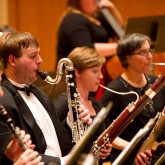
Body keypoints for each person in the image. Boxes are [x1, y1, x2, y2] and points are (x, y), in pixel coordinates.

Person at [0, 32, 91, 165]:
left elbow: (53, 137)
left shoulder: (39, 93)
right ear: (12, 60)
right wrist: (62, 162)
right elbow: (14, 156)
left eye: (38, 54)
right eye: (33, 56)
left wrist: (72, 122)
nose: (40, 60)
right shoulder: (4, 102)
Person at [54, 46, 153, 165]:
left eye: (100, 70)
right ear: (77, 72)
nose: (101, 76)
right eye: (95, 71)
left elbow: (101, 141)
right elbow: (54, 140)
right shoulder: (64, 102)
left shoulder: (95, 104)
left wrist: (106, 150)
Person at [101, 33, 165, 164]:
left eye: (149, 50)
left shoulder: (157, 83)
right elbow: (102, 134)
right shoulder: (114, 90)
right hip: (129, 158)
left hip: (157, 154)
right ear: (126, 58)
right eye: (143, 52)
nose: (150, 56)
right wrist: (131, 149)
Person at [56, 0, 125, 100]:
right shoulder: (73, 19)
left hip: (93, 73)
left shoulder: (97, 17)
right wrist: (122, 46)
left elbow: (118, 31)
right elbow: (88, 49)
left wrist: (112, 9)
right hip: (76, 78)